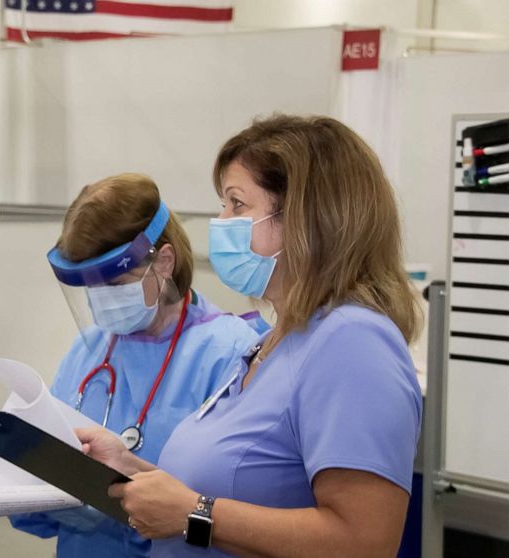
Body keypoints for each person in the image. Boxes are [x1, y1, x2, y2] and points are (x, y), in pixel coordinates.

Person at [78, 115, 423, 557]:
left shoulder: (352, 341)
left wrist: (192, 514)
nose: (221, 222)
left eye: (237, 205)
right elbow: (248, 490)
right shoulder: (279, 339)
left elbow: (364, 542)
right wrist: (130, 471)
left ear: (306, 218)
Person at [10, 173, 265, 557]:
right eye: (91, 288)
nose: (102, 300)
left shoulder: (230, 352)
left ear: (163, 262)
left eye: (114, 284)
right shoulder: (90, 350)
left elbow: (241, 510)